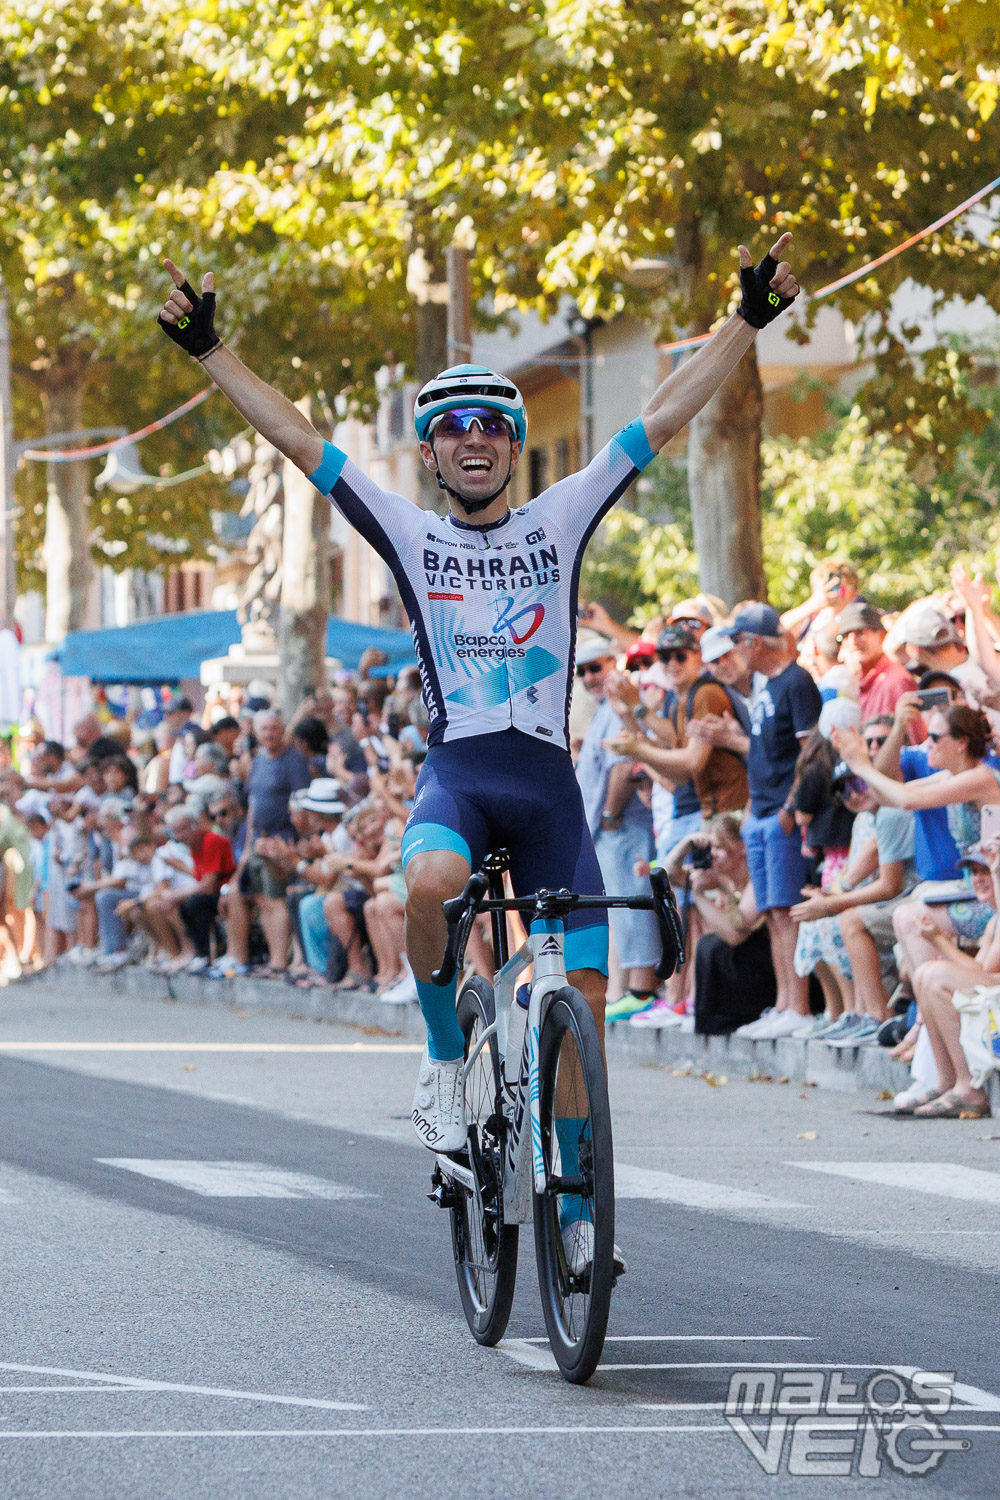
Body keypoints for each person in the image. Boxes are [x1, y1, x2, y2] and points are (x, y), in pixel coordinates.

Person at [156, 230, 802, 1261]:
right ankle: (445, 1055)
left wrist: (746, 320)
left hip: (548, 792)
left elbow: (665, 414)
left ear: (510, 446)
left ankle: (578, 1219)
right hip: (460, 777)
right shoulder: (411, 535)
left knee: (584, 1004)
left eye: (492, 426)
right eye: (451, 427)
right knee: (430, 881)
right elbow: (297, 438)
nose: (473, 439)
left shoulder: (561, 518)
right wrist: (210, 352)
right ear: (428, 453)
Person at [721, 603, 822, 1038]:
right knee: (772, 911)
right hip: (760, 811)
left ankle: (799, 1005)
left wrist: (791, 805)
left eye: (737, 642)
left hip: (781, 814)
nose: (735, 651)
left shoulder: (797, 682)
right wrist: (752, 808)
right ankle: (783, 1002)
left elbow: (810, 752)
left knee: (786, 910)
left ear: (754, 642)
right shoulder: (767, 684)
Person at [576, 639, 661, 1019]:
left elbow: (625, 764)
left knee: (633, 903)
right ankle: (627, 990)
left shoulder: (618, 705)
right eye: (583, 671)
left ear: (615, 662)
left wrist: (610, 815)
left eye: (596, 667)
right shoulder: (604, 708)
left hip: (624, 824)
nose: (590, 677)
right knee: (620, 909)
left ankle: (642, 991)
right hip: (610, 827)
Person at [836, 602, 923, 731]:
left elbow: (915, 736)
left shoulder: (896, 682)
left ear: (881, 635)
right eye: (846, 635)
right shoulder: (854, 681)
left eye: (860, 633)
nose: (853, 641)